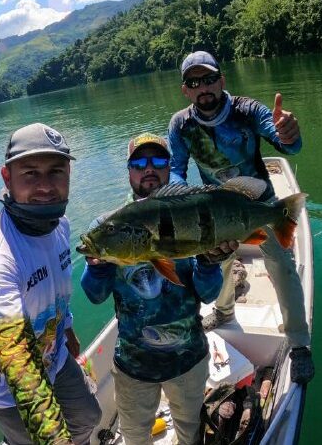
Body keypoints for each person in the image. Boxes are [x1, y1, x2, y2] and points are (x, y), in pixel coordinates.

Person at [167, 50, 314, 384]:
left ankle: (299, 343)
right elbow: (176, 169)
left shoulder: (248, 110)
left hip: (261, 201)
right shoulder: (181, 124)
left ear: (221, 80)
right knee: (219, 262)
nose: (203, 87)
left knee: (280, 264)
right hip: (217, 212)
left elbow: (286, 145)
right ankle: (223, 310)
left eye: (208, 79)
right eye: (194, 82)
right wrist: (184, 199)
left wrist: (290, 135)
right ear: (185, 90)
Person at [81, 133, 236, 445]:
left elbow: (207, 293)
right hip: (133, 366)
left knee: (190, 431)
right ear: (129, 171)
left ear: (169, 168)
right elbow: (95, 295)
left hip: (189, 360)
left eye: (158, 161)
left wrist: (208, 262)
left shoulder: (189, 214)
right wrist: (99, 267)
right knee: (136, 437)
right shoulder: (107, 227)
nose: (148, 168)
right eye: (139, 162)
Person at [0, 123, 101, 445]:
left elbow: (55, 286)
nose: (45, 187)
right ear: (6, 178)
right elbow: (18, 365)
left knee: (88, 417)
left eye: (56, 172)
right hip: (4, 382)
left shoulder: (60, 225)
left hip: (55, 352)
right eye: (30, 174)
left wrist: (67, 329)